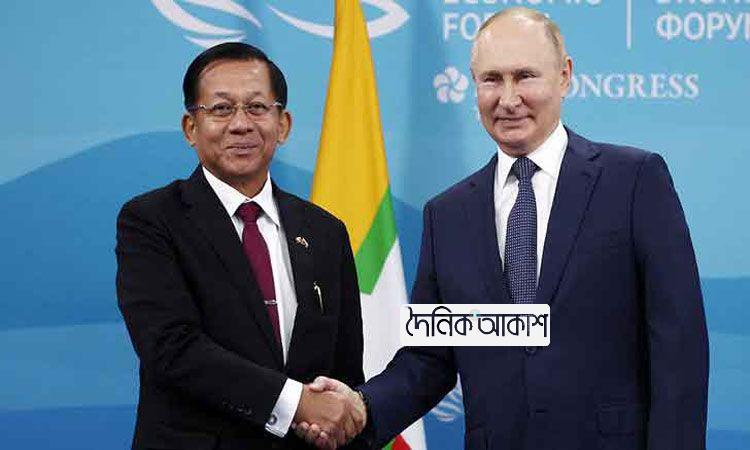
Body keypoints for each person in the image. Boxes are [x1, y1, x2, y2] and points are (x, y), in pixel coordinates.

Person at [297, 7, 708, 450]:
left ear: (565, 76)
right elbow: (430, 358)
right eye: (492, 79)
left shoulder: (634, 181)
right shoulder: (447, 214)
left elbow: (679, 347)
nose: (508, 99)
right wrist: (362, 406)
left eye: (525, 76)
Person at [116, 42, 367, 449]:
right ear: (190, 128)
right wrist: (295, 403)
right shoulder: (152, 220)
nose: (240, 124)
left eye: (256, 107)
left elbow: (344, 370)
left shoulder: (325, 231)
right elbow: (171, 347)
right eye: (221, 109)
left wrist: (338, 415)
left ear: (283, 124)